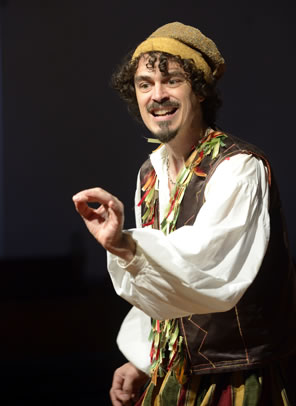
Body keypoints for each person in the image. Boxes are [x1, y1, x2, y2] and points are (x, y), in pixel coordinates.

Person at [73, 22, 296, 406]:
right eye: (145, 84)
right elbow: (165, 286)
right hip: (175, 372)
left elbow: (207, 268)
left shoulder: (239, 167)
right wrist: (142, 360)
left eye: (171, 81)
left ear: (200, 90)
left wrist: (126, 244)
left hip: (235, 377)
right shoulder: (151, 172)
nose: (157, 95)